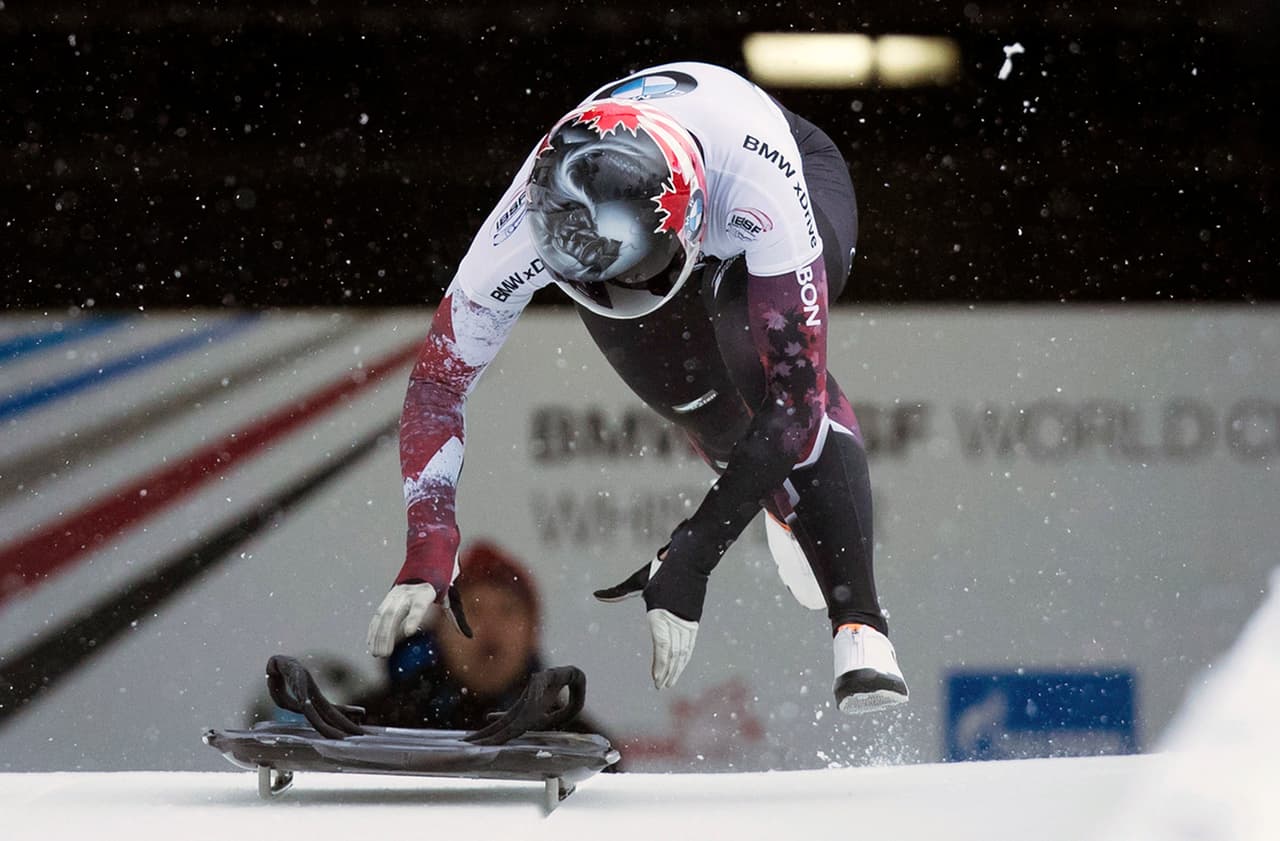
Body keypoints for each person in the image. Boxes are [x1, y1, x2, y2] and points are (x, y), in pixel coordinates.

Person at [366, 61, 908, 714]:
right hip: (640, 236)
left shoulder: (758, 181)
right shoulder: (526, 221)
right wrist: (429, 544)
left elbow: (796, 404)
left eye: (639, 278)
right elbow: (437, 385)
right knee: (698, 404)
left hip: (786, 186)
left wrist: (692, 554)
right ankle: (781, 501)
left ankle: (862, 624)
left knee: (748, 334)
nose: (621, 298)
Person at [358, 540, 612, 741]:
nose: (490, 627)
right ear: (439, 631)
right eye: (472, 610)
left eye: (507, 610)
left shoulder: (577, 745)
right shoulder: (372, 728)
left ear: (532, 632)